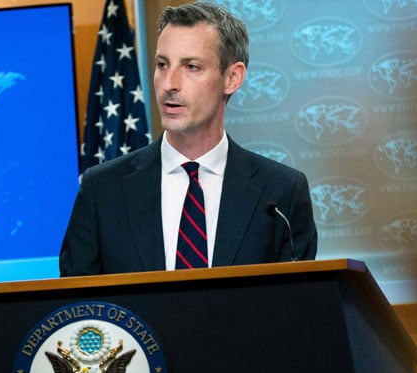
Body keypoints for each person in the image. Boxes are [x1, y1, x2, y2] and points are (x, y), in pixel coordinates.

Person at [59, 2, 317, 276]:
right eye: (162, 64)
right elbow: (77, 311)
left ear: (232, 77)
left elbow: (295, 310)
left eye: (191, 67)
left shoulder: (281, 194)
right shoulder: (102, 190)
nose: (169, 83)